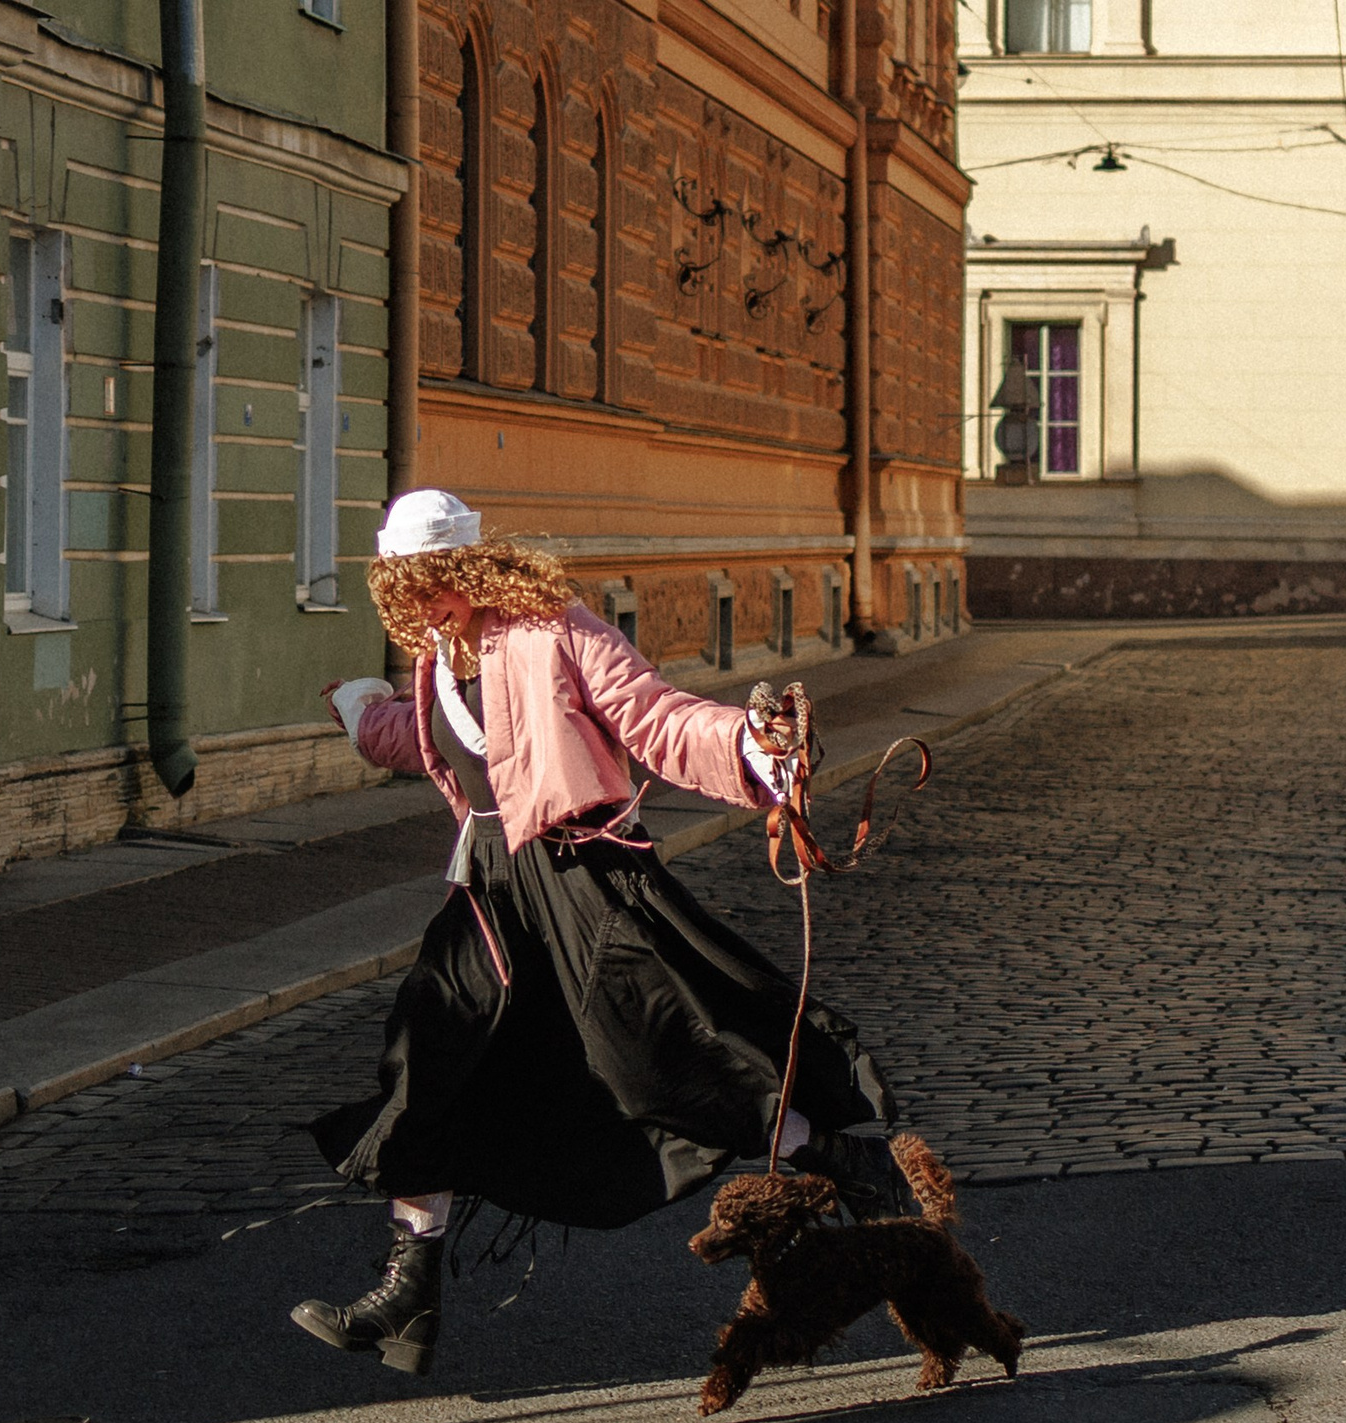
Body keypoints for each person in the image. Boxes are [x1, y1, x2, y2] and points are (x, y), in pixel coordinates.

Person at [293, 490, 910, 1377]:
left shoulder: (554, 628)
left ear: (467, 568)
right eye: (404, 589)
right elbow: (418, 736)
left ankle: (842, 1156)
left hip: (585, 877)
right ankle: (409, 1291)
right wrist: (359, 711)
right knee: (427, 1053)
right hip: (493, 887)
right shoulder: (437, 659)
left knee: (663, 1057)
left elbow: (653, 714)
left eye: (431, 582)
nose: (421, 602)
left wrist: (752, 747)